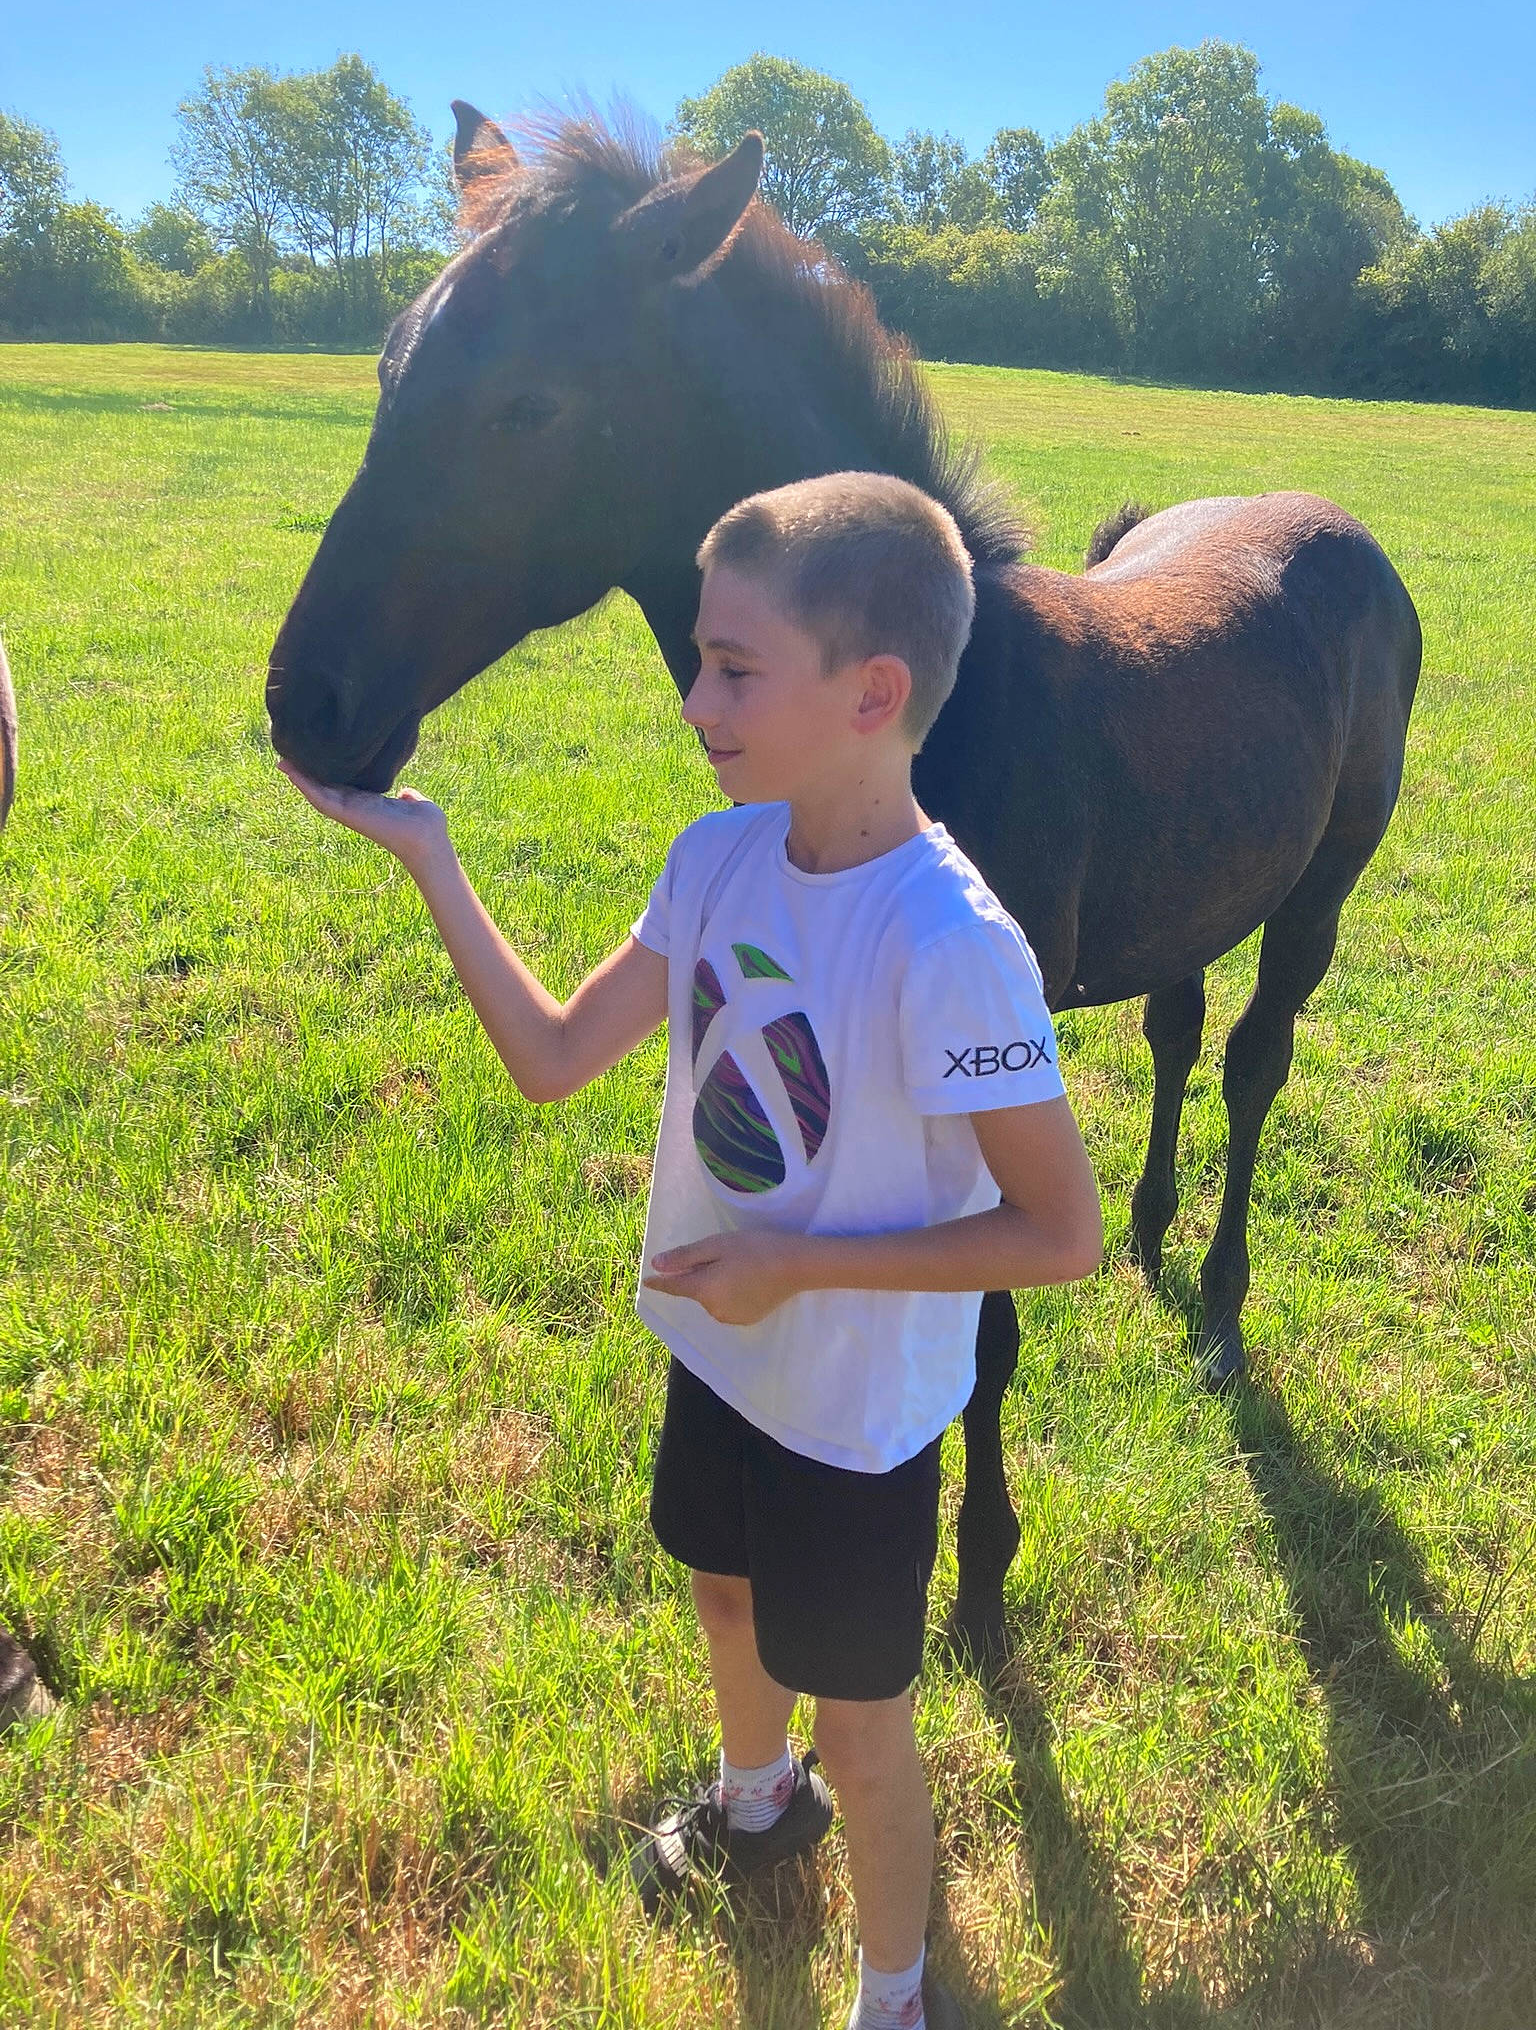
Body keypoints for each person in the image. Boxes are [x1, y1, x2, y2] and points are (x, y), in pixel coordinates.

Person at [281, 470, 1103, 2029]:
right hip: (722, 1355)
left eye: (735, 667)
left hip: (853, 1415)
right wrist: (430, 855)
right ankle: (749, 1801)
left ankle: (895, 1991)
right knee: (723, 1599)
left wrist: (800, 1266)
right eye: (700, 657)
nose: (692, 694)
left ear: (873, 693)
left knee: (868, 1729)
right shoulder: (717, 860)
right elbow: (547, 1058)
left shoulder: (953, 945)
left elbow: (1059, 1234)